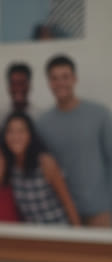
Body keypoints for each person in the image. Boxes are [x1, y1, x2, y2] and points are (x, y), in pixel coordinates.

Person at [35, 54, 112, 226]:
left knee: (99, 254)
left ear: (74, 79)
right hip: (62, 212)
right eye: (54, 78)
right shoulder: (42, 123)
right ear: (49, 83)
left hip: (99, 211)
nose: (60, 83)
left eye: (65, 77)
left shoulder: (100, 114)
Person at [1, 112, 79, 225]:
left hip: (58, 230)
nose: (15, 136)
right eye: (10, 131)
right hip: (34, 235)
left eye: (21, 131)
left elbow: (68, 202)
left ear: (30, 135)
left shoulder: (45, 162)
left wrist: (77, 235)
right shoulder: (10, 166)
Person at [0, 62, 33, 136]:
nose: (18, 88)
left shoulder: (39, 117)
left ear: (29, 86)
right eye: (14, 84)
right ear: (8, 87)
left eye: (21, 83)